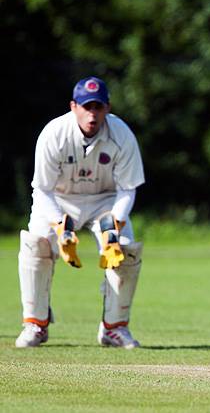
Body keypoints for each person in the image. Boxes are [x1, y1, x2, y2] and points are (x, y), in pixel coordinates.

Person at [16, 76, 145, 349]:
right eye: (87, 107)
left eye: (98, 107)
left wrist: (115, 226)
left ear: (107, 108)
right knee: (36, 244)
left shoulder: (121, 135)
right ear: (74, 106)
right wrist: (61, 228)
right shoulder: (54, 134)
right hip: (59, 200)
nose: (92, 114)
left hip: (105, 201)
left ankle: (114, 328)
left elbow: (127, 189)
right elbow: (42, 189)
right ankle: (36, 324)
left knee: (125, 250)